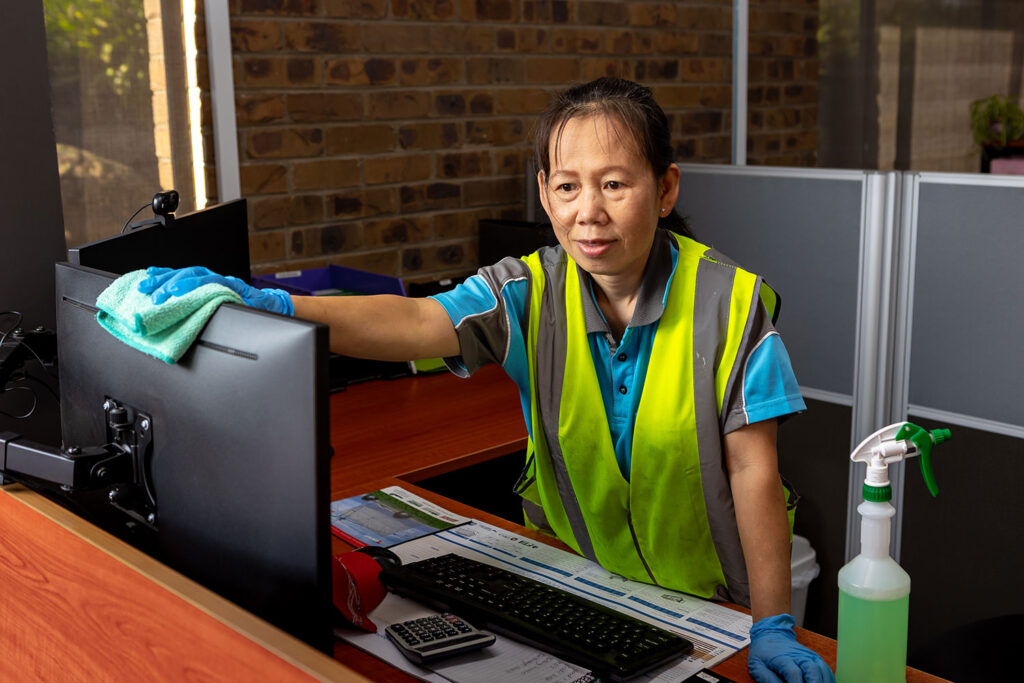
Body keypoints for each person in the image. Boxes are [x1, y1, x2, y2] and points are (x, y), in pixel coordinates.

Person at [139, 77, 834, 682]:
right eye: (567, 186)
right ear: (544, 193)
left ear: (665, 187)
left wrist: (771, 621)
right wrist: (280, 304)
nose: (587, 210)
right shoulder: (529, 290)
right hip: (579, 587)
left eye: (615, 183)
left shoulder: (733, 305)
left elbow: (753, 471)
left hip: (708, 606)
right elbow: (415, 323)